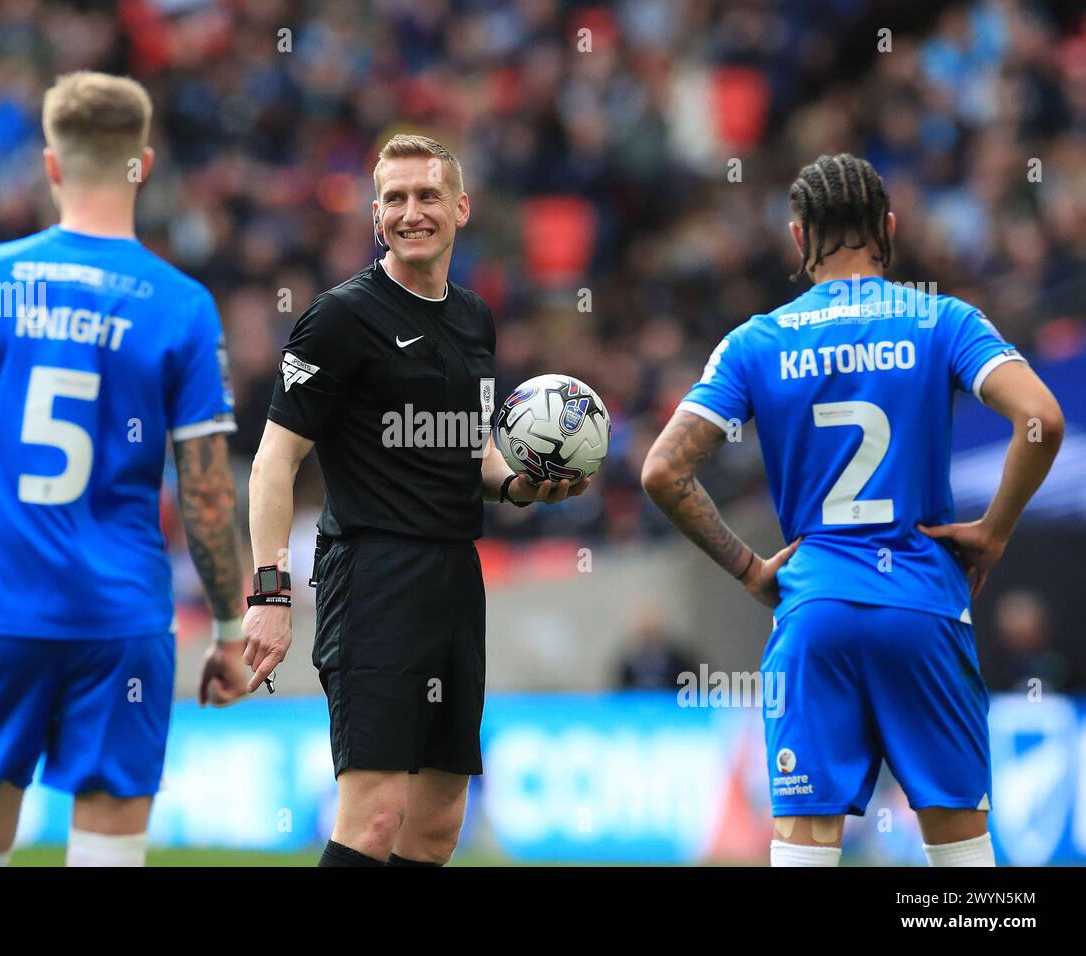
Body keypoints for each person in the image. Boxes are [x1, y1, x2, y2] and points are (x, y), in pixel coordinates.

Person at [0, 71, 250, 867]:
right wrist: (230, 628)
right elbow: (207, 489)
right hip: (122, 621)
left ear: (50, 165)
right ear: (141, 164)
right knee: (107, 859)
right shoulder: (179, 304)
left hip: (3, 608)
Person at [641, 153, 1063, 867]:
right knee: (959, 845)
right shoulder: (942, 319)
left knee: (806, 844)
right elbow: (1044, 421)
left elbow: (662, 470)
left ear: (799, 235)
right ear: (889, 228)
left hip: (816, 610)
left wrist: (748, 567)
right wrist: (991, 533)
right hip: (923, 605)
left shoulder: (756, 342)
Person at [242, 134, 592, 866]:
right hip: (372, 576)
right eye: (395, 199)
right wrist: (270, 591)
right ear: (375, 216)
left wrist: (527, 484)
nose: (411, 212)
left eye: (427, 195)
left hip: (455, 578)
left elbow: (479, 458)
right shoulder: (339, 320)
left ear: (460, 208)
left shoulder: (474, 320)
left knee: (436, 825)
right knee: (373, 818)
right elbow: (275, 459)